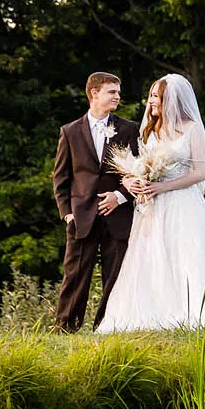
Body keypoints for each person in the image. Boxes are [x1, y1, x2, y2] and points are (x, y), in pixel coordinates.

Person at [97, 74, 205, 331]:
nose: (152, 100)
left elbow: (200, 173)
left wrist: (162, 186)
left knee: (186, 254)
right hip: (152, 205)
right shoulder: (151, 129)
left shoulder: (193, 129)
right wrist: (137, 180)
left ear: (171, 99)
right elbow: (142, 164)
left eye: (157, 96)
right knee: (153, 255)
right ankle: (156, 311)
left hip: (182, 203)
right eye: (152, 95)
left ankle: (192, 312)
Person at [51, 72, 141, 332]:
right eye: (112, 92)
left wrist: (120, 196)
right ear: (94, 94)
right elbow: (61, 178)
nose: (118, 96)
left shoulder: (128, 129)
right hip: (81, 215)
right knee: (75, 274)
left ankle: (106, 327)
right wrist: (67, 214)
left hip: (119, 214)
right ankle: (65, 327)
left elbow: (138, 171)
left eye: (118, 91)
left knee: (116, 276)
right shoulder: (69, 132)